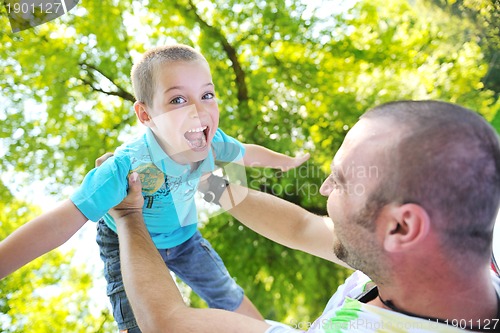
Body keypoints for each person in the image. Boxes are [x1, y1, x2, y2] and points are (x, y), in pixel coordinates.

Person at [110, 100, 500, 332]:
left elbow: (168, 321)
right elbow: (303, 226)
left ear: (401, 227)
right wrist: (199, 180)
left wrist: (128, 215)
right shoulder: (436, 261)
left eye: (342, 182)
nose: (325, 188)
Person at [0, 44, 310, 332]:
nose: (198, 110)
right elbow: (59, 222)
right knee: (141, 322)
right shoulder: (126, 167)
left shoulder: (212, 143)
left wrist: (284, 161)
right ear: (146, 115)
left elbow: (248, 153)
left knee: (226, 292)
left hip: (184, 237)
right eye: (178, 99)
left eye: (207, 95)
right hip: (124, 238)